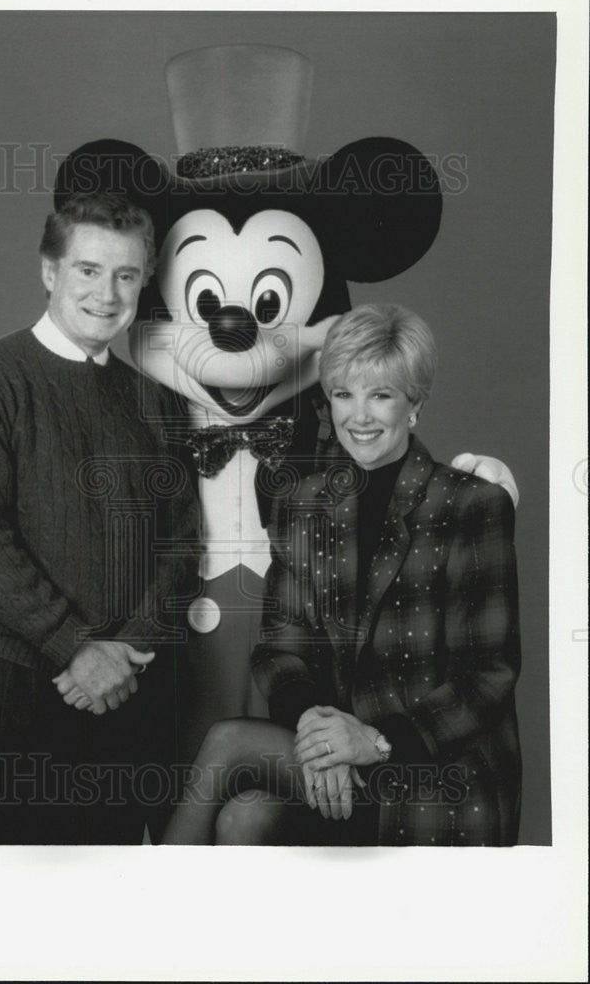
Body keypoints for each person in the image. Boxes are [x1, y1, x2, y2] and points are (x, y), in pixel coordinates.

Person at [163, 303, 521, 846]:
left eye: (381, 395)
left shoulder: (472, 503)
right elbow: (279, 650)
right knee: (244, 817)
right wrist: (319, 732)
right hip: (338, 753)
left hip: (434, 766)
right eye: (343, 394)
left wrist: (372, 741)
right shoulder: (304, 504)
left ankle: (146, 911)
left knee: (228, 744)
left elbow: (488, 674)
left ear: (415, 404)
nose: (360, 416)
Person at [0, 192, 198, 845]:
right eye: (87, 270)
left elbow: (183, 545)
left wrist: (126, 650)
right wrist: (77, 649)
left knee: (106, 920)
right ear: (50, 271)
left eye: (126, 274)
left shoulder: (156, 403)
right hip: (9, 689)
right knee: (5, 914)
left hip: (128, 693)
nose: (107, 293)